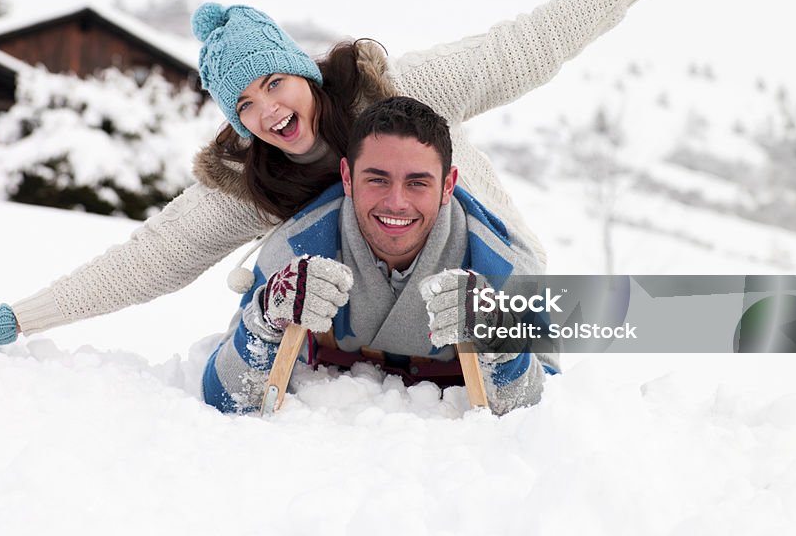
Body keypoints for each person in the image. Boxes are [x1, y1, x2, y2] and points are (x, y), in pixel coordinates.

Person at [0, 0, 745, 349]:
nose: (267, 109)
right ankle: (307, 323)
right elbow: (151, 260)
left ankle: (515, 308)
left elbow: (521, 47)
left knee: (411, 169)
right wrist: (17, 318)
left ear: (304, 70)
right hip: (354, 322)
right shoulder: (250, 182)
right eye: (244, 104)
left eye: (274, 82)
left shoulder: (397, 90)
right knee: (305, 230)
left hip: (470, 276)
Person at [203, 97, 560, 415]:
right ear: (347, 176)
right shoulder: (297, 247)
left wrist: (500, 338)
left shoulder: (506, 266)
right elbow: (222, 393)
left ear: (448, 185)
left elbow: (552, 400)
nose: (396, 203)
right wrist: (265, 321)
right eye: (377, 180)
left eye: (417, 183)